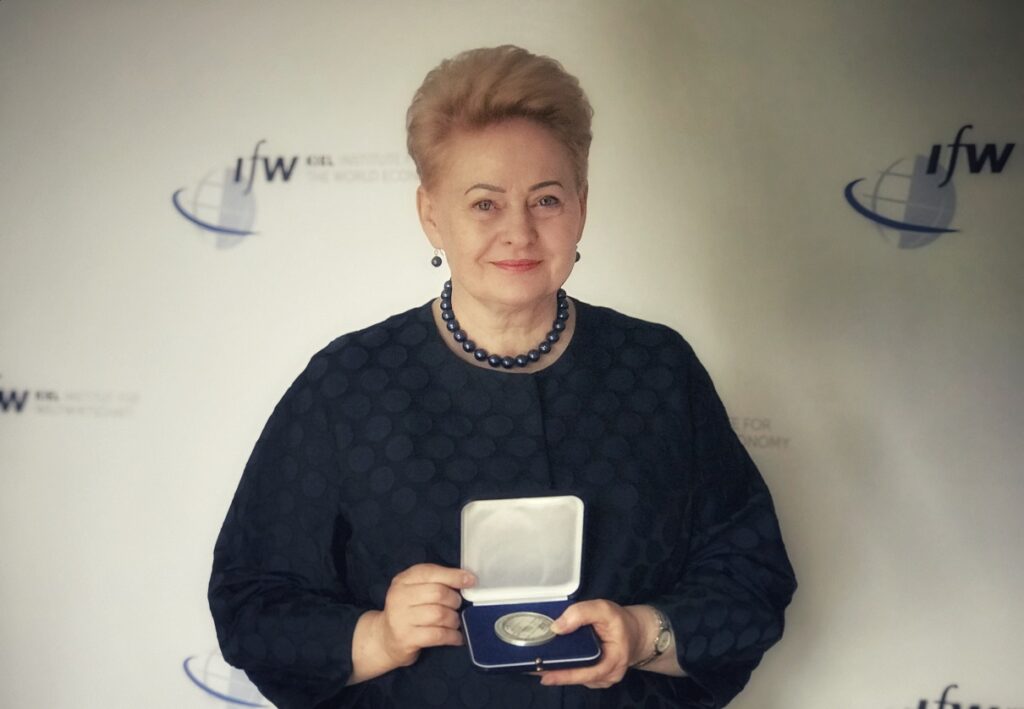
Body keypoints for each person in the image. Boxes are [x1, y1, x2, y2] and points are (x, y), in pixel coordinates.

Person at [209, 45, 796, 709]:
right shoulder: (347, 386)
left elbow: (750, 574)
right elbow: (252, 600)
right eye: (485, 204)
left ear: (580, 207)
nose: (519, 231)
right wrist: (380, 636)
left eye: (546, 199)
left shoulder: (659, 370)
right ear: (432, 214)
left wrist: (642, 632)